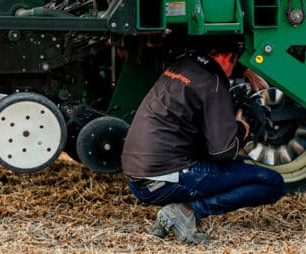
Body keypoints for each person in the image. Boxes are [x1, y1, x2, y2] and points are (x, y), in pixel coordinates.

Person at [121, 46, 286, 244]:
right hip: (165, 180)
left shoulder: (182, 65)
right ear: (227, 56)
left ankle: (176, 212)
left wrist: (246, 71)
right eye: (235, 61)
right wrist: (241, 128)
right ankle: (188, 211)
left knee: (236, 167)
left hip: (138, 180)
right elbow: (223, 152)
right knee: (271, 182)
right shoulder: (214, 83)